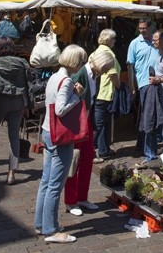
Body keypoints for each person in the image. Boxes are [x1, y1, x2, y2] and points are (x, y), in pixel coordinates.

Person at [34, 44, 87, 244]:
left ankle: (41, 223)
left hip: (48, 131)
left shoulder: (54, 77)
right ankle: (50, 229)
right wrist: (77, 96)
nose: (82, 65)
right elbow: (61, 109)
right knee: (55, 183)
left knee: (46, 181)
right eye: (81, 61)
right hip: (60, 137)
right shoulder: (65, 81)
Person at [65, 50, 115, 216]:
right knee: (74, 159)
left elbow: (91, 100)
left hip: (86, 120)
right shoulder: (80, 73)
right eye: (105, 68)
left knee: (87, 157)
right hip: (76, 121)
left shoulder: (95, 76)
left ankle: (82, 197)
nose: (105, 72)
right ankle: (71, 201)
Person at [0, 38, 33, 184]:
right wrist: (28, 105)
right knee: (14, 137)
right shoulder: (22, 63)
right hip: (18, 100)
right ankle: (11, 173)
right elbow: (29, 84)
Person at [127, 18, 160, 160]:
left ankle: (143, 145)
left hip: (159, 83)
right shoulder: (134, 44)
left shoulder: (157, 42)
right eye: (140, 28)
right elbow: (130, 66)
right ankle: (143, 146)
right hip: (143, 84)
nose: (142, 31)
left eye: (144, 28)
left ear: (150, 27)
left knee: (152, 116)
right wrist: (131, 85)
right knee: (146, 116)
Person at [92, 29, 121, 164]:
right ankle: (101, 149)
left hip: (97, 91)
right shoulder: (109, 54)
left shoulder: (95, 52)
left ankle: (101, 147)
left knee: (100, 121)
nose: (115, 41)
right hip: (105, 91)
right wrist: (119, 86)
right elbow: (113, 74)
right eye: (114, 38)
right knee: (102, 123)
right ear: (108, 40)